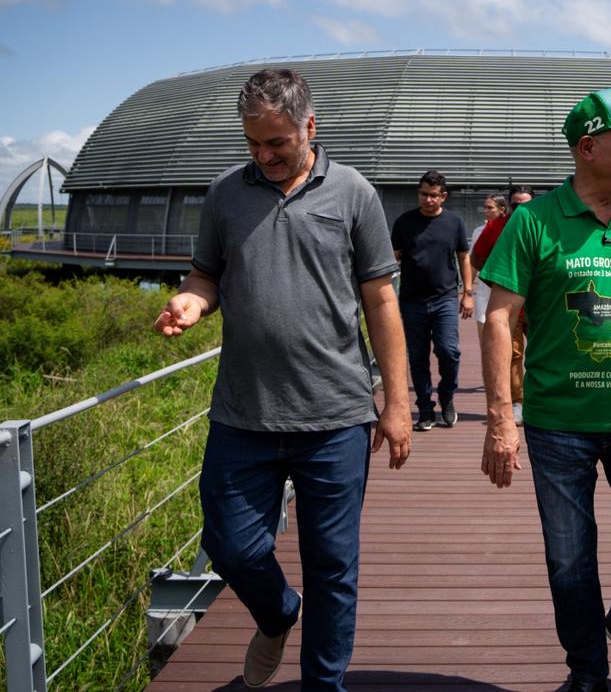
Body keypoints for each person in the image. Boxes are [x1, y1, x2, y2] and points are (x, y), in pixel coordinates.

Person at [153, 68, 412, 691]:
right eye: (252, 143)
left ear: (309, 126)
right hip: (243, 414)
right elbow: (205, 275)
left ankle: (324, 685)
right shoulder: (225, 193)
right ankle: (276, 612)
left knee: (332, 569)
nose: (264, 156)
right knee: (230, 545)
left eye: (277, 143)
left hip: (336, 416)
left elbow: (380, 300)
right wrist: (192, 302)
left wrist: (397, 402)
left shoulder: (354, 193)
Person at [479, 89, 611, 692]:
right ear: (588, 148)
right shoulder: (533, 222)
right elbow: (499, 318)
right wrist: (501, 419)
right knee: (569, 560)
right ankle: (587, 672)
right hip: (558, 425)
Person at [392, 170, 474, 430]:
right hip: (411, 301)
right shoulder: (405, 222)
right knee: (418, 357)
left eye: (434, 195)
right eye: (424, 194)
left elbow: (464, 257)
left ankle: (447, 397)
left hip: (444, 298)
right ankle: (425, 409)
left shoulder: (454, 222)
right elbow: (392, 257)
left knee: (449, 351)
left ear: (443, 197)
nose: (428, 200)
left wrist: (467, 293)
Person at [469, 184, 534, 425]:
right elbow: (476, 257)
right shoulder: (496, 227)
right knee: (513, 354)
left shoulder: (545, 224)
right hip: (510, 305)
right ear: (509, 206)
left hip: (541, 304)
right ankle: (518, 403)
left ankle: (540, 400)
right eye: (516, 205)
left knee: (543, 352)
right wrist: (497, 279)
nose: (521, 210)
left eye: (526, 205)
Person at [470, 193, 508, 342]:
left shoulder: (511, 229)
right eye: (485, 207)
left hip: (506, 291)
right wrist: (467, 291)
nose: (486, 211)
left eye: (490, 207)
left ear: (502, 209)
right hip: (484, 292)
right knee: (485, 340)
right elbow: (473, 262)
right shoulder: (478, 232)